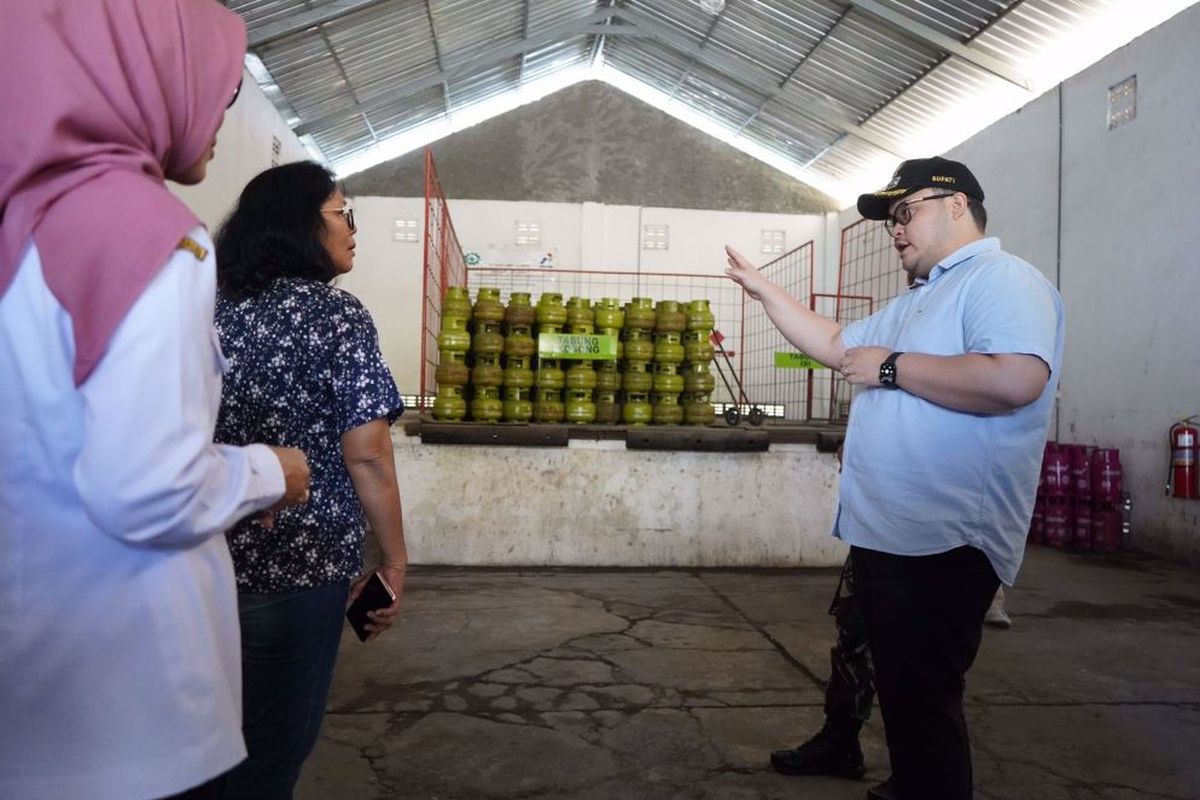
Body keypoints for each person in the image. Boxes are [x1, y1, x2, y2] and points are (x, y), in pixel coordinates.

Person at [0, 3, 311, 799]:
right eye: (219, 91)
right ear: (147, 76)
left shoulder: (21, 224)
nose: (218, 116)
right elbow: (146, 489)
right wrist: (272, 471)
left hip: (30, 683)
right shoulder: (153, 232)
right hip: (127, 700)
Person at [727, 156, 1063, 800]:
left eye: (905, 212)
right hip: (892, 531)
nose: (896, 230)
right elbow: (834, 345)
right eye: (890, 220)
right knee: (902, 687)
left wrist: (890, 369)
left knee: (924, 696)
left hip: (945, 536)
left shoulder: (1000, 279)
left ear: (957, 205)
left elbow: (1015, 379)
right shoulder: (923, 297)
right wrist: (765, 289)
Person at [212, 161, 409, 800]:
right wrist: (395, 559)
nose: (353, 230)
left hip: (194, 558)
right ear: (302, 223)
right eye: (342, 214)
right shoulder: (336, 316)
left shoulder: (204, 308)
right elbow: (369, 454)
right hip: (298, 570)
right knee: (271, 748)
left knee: (196, 744)